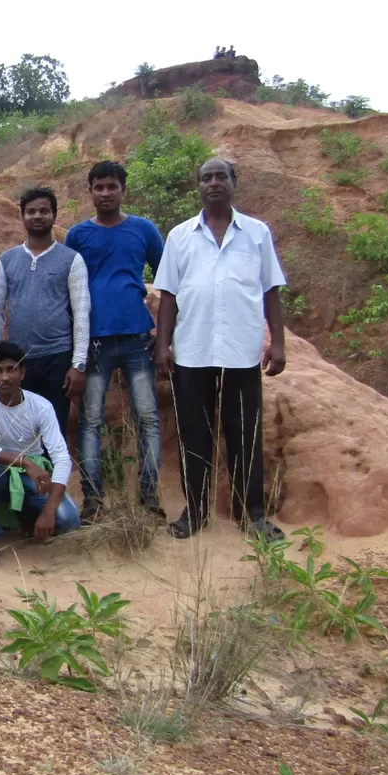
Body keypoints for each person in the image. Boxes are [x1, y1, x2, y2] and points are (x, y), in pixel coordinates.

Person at [153, 158, 287, 542]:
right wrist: (163, 345)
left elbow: (270, 290)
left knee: (245, 433)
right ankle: (195, 512)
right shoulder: (180, 236)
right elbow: (168, 296)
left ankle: (253, 515)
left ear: (234, 182)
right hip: (192, 351)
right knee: (194, 435)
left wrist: (277, 342)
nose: (213, 183)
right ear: (198, 186)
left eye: (220, 176)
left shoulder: (257, 234)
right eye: (205, 178)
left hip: (241, 353)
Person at [66, 161, 165, 523]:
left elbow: (169, 280)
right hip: (92, 342)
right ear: (90, 191)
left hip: (139, 339)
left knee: (148, 419)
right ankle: (93, 501)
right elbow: (70, 288)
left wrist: (165, 337)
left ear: (123, 189)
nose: (105, 193)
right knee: (90, 422)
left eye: (112, 186)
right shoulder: (78, 235)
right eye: (98, 187)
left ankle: (150, 497)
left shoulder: (144, 229)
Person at [0, 341, 81, 570]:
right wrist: (25, 461)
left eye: (11, 369)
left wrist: (49, 511)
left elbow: (61, 457)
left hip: (33, 478)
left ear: (22, 372)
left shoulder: (41, 406)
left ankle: (27, 516)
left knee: (68, 520)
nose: (5, 377)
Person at [0, 187, 89, 437]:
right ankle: (22, 477)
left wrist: (78, 364)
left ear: (54, 216)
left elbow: (81, 313)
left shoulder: (72, 259)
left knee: (53, 429)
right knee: (18, 429)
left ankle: (50, 476)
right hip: (18, 361)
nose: (38, 216)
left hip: (58, 358)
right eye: (31, 211)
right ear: (22, 217)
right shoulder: (7, 259)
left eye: (44, 211)